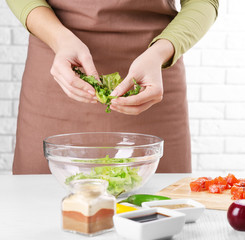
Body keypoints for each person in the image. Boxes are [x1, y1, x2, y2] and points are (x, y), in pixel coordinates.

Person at [6, 0, 219, 174]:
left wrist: (161, 52)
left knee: (158, 207)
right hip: (58, 68)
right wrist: (59, 39)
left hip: (153, 79)